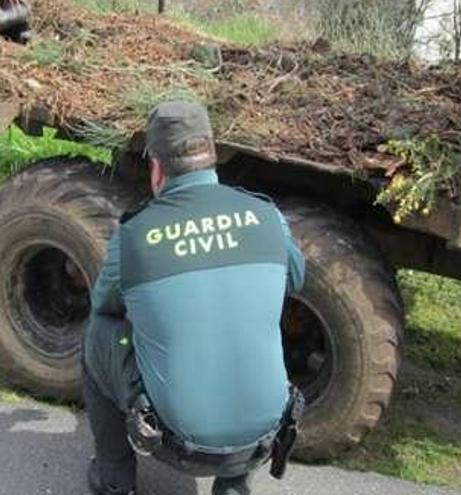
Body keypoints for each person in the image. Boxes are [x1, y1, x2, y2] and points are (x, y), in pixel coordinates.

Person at [81, 100, 305, 495]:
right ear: (212, 157)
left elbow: (105, 307)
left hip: (176, 444)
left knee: (98, 334)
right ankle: (234, 486)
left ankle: (114, 480)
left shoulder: (134, 237)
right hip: (262, 441)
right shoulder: (266, 215)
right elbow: (295, 278)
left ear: (156, 168)